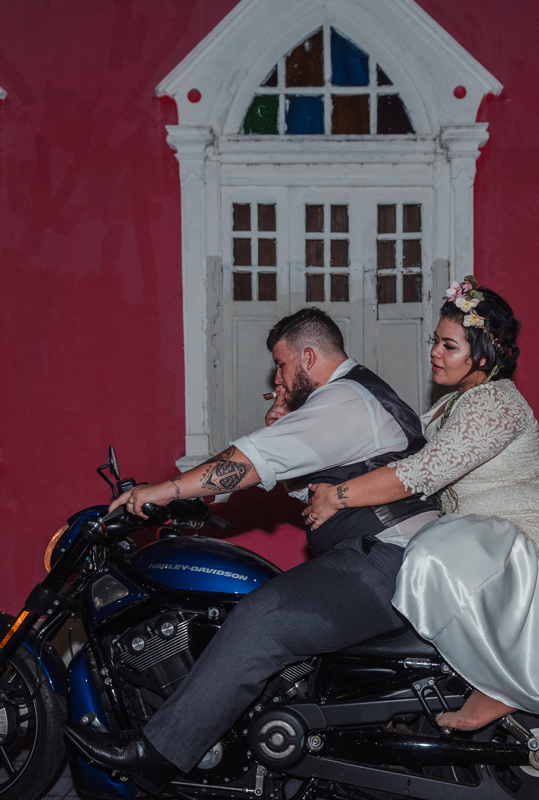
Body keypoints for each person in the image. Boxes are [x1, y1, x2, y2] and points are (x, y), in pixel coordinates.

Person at [63, 307, 439, 792]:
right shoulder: (354, 397)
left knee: (260, 620)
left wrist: (163, 491)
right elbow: (305, 477)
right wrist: (284, 430)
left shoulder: (344, 399)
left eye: (281, 366)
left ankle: (156, 755)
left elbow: (247, 463)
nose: (277, 378)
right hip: (383, 553)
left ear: (308, 357)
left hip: (385, 557)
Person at [304, 278, 539, 731]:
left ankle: (501, 689)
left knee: (430, 552)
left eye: (449, 346)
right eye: (435, 341)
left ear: (484, 355)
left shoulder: (496, 403)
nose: (435, 353)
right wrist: (303, 426)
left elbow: (421, 472)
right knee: (426, 551)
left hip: (530, 536)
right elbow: (387, 452)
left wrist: (337, 496)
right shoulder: (451, 406)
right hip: (483, 539)